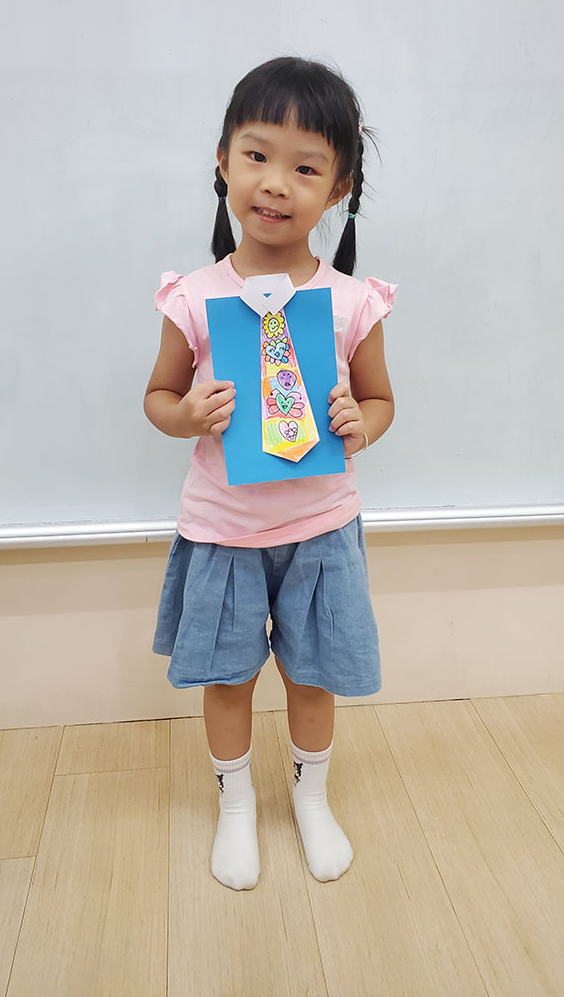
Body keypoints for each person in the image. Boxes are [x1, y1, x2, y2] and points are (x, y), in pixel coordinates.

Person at [145, 57, 395, 891]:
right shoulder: (194, 298)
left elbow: (381, 400)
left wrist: (362, 424)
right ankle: (236, 806)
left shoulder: (353, 304)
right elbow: (157, 397)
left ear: (340, 188)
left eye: (306, 167)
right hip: (223, 531)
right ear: (223, 161)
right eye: (257, 155)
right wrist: (187, 414)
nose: (276, 183)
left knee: (313, 677)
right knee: (227, 678)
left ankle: (311, 799)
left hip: (322, 530)